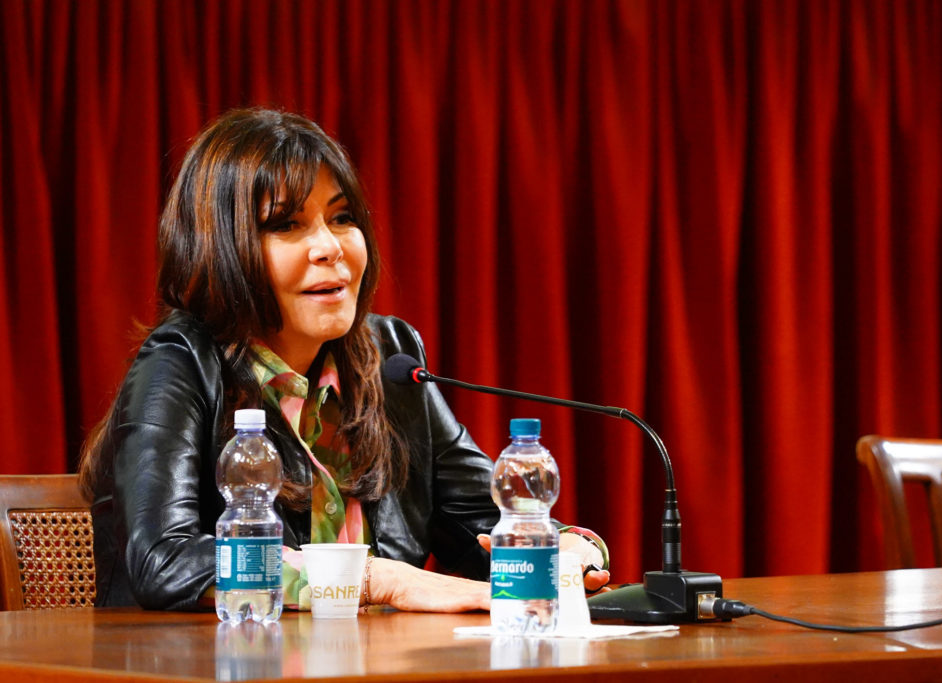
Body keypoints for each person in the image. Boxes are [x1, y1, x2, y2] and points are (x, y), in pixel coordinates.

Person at [78, 108, 610, 612]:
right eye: (286, 224)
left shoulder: (390, 357)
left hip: (365, 659)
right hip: (216, 659)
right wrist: (380, 579)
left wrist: (569, 549)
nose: (329, 247)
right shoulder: (181, 361)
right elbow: (165, 561)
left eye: (342, 218)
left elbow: (483, 529)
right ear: (221, 248)